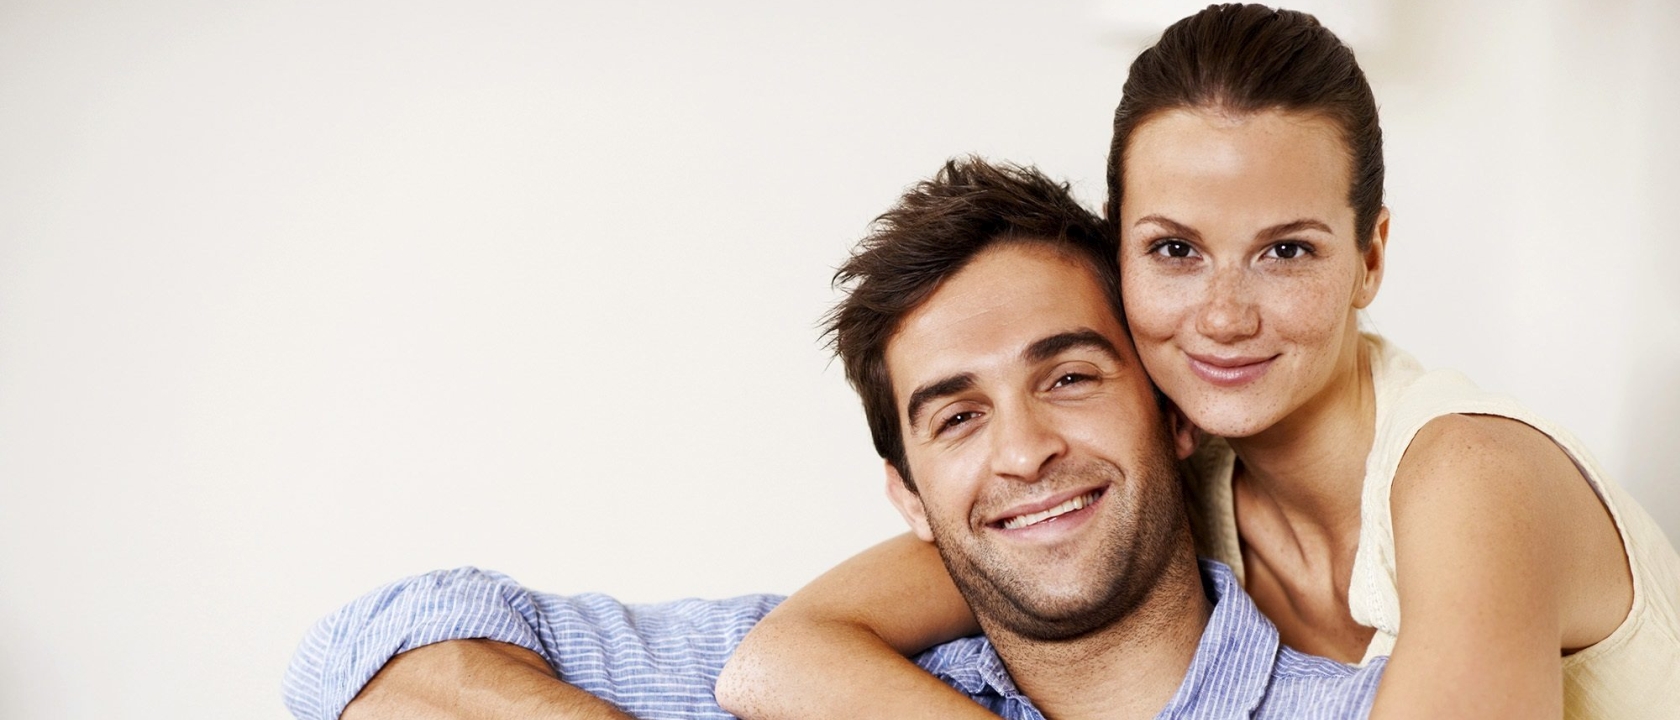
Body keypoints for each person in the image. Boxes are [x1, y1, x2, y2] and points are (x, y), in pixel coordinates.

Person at [713, 5, 1680, 720]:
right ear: (1120, 253)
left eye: (1287, 250)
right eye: (1175, 250)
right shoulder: (1168, 474)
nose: (1222, 317)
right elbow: (781, 657)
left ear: (1371, 258)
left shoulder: (1473, 477)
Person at [283, 159, 1387, 719]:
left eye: (1067, 376)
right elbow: (391, 648)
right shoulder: (816, 675)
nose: (1023, 450)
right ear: (908, 495)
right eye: (957, 416)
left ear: (1172, 406)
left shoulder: (1360, 710)